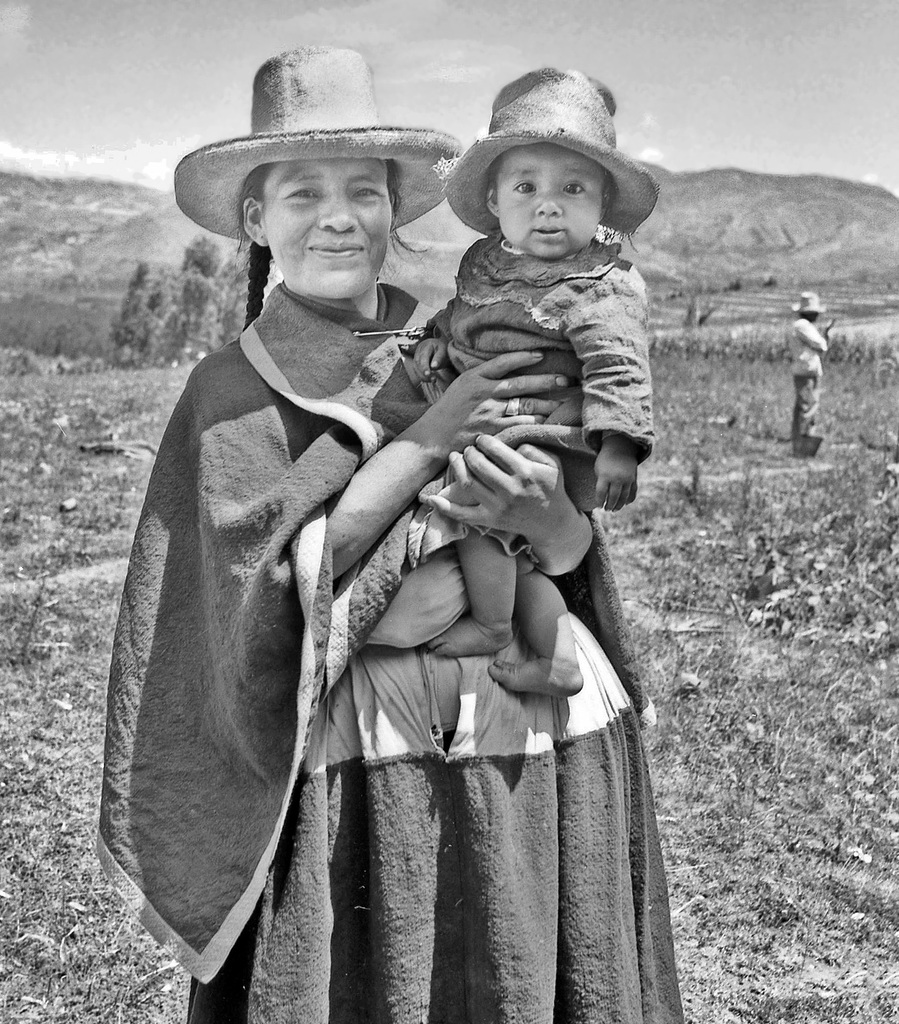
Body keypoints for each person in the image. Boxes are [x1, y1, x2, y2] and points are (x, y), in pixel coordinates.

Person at [97, 46, 684, 1024]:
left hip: (534, 733)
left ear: (393, 208)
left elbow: (570, 550)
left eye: (361, 192)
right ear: (254, 218)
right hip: (360, 760)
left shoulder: (466, 330)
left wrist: (546, 515)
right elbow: (275, 588)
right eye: (301, 193)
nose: (337, 216)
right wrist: (435, 431)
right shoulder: (226, 397)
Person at [406, 68, 659, 696]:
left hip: (550, 431)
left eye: (573, 188)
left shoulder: (601, 285)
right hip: (504, 422)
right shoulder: (487, 264)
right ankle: (555, 654)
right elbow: (464, 313)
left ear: (602, 205)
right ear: (494, 204)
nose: (548, 204)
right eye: (526, 187)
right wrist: (439, 337)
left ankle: (493, 626)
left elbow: (618, 364)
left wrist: (621, 445)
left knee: (482, 501)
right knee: (508, 541)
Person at [789, 291, 832, 456]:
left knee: (805, 406)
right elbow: (821, 345)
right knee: (807, 407)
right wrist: (824, 338)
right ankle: (802, 447)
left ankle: (801, 444)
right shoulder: (803, 326)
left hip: (807, 370)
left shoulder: (803, 326)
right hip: (806, 371)